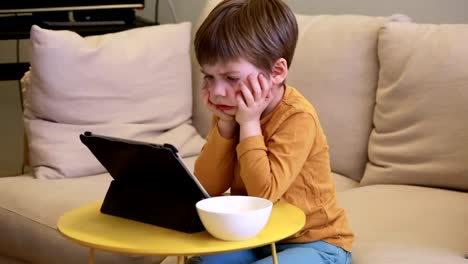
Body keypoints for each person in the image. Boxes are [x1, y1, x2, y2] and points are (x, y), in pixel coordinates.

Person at [189, 0, 354, 263]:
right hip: (255, 236)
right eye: (209, 77)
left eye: (231, 78)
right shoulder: (229, 110)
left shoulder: (297, 117)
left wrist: (250, 124)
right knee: (202, 260)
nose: (218, 91)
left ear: (276, 72)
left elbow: (263, 195)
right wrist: (227, 127)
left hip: (315, 242)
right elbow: (208, 188)